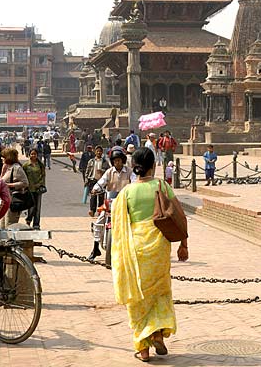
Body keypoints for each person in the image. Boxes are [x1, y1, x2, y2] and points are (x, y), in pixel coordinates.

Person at [111, 147, 188, 361]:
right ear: (153, 166)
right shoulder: (161, 185)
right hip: (159, 248)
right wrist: (184, 244)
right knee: (160, 292)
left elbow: (118, 226)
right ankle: (157, 334)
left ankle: (143, 349)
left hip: (135, 249)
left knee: (138, 296)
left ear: (134, 167)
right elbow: (179, 215)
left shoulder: (126, 192)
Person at [90, 148, 132, 261]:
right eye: (115, 161)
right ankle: (95, 249)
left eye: (119, 160)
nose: (117, 163)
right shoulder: (109, 172)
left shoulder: (129, 171)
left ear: (123, 160)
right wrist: (95, 189)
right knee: (99, 222)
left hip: (125, 202)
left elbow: (134, 183)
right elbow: (101, 182)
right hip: (110, 202)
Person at [0, 147, 29, 226]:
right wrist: (3, 171)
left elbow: (25, 183)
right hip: (5, 201)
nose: (1, 158)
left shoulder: (17, 168)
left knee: (9, 225)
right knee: (2, 226)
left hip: (13, 201)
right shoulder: (8, 168)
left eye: (3, 157)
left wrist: (9, 185)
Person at [23, 149, 46, 230]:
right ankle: (28, 220)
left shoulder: (40, 165)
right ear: (29, 155)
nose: (33, 155)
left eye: (35, 154)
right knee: (31, 207)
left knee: (38, 207)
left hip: (38, 189)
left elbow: (43, 176)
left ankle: (36, 224)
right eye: (32, 154)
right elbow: (23, 177)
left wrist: (40, 184)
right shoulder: (26, 165)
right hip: (29, 189)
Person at [85, 145, 110, 220]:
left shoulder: (105, 162)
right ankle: (92, 210)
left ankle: (100, 211)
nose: (99, 152)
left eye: (100, 151)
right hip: (93, 180)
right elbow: (87, 171)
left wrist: (102, 171)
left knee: (101, 197)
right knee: (93, 196)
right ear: (95, 152)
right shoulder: (91, 161)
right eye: (97, 151)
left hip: (101, 181)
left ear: (102, 152)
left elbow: (108, 171)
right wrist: (86, 180)